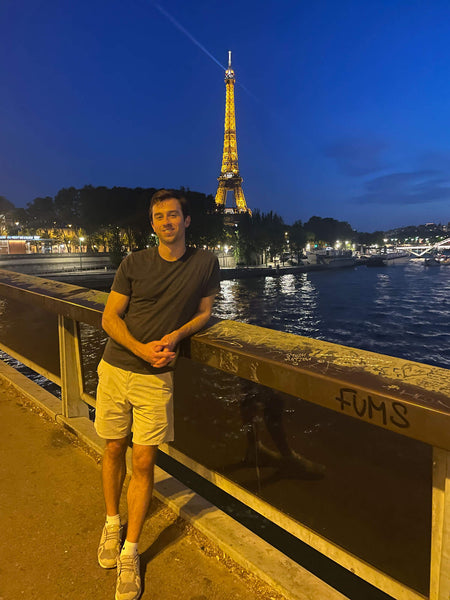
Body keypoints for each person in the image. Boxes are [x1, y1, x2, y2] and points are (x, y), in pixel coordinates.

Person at [95, 189, 220, 600]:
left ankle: (131, 549)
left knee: (144, 459)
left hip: (156, 376)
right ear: (153, 224)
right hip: (117, 366)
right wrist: (141, 348)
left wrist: (177, 336)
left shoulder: (204, 262)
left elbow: (205, 312)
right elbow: (109, 317)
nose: (166, 222)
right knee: (114, 448)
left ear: (187, 221)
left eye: (173, 215)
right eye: (159, 217)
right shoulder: (134, 262)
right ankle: (112, 523)